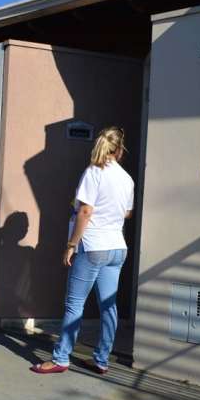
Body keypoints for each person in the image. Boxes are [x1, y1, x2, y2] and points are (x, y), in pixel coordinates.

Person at [30, 126, 134, 374]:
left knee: (74, 304)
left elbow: (85, 212)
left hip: (93, 246)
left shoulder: (94, 172)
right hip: (117, 247)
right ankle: (101, 360)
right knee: (109, 305)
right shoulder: (126, 178)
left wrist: (71, 244)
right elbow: (127, 213)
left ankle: (60, 359)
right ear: (119, 150)